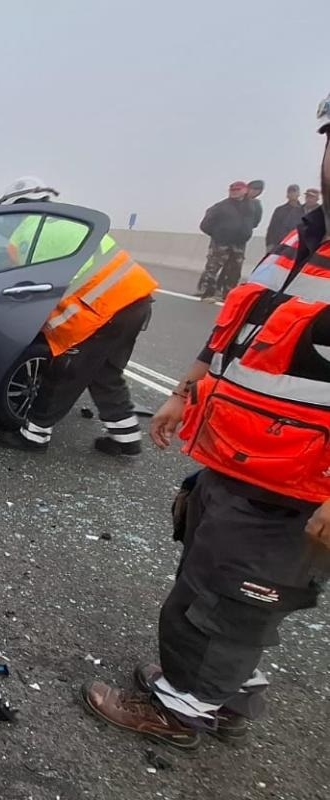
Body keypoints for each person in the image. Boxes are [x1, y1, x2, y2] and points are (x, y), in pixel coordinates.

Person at [83, 94, 330, 750]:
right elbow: (245, 323)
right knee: (213, 577)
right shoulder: (303, 235)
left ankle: (183, 709)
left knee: (230, 596)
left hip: (298, 483)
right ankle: (218, 690)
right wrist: (186, 386)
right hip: (239, 454)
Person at [0, 176, 159, 455]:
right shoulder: (72, 221)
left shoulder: (24, 234)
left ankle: (34, 436)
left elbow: (23, 283)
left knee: (63, 372)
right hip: (136, 299)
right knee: (104, 371)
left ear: (16, 206)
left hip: (98, 310)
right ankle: (126, 437)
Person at [196, 181, 255, 301]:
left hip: (239, 244)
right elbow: (205, 225)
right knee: (213, 268)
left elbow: (254, 222)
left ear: (244, 191)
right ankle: (207, 292)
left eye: (238, 190)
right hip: (221, 244)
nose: (234, 192)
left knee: (234, 270)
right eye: (232, 190)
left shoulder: (250, 207)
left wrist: (245, 233)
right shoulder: (221, 206)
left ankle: (228, 294)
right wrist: (218, 235)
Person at [264, 184, 302, 252]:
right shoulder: (279, 210)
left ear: (298, 194)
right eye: (290, 192)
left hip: (295, 246)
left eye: (294, 192)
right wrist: (269, 244)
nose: (292, 194)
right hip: (278, 244)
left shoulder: (303, 211)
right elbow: (271, 228)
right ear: (287, 195)